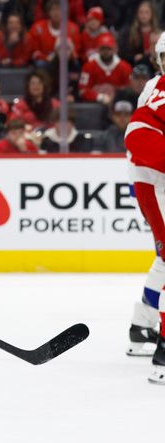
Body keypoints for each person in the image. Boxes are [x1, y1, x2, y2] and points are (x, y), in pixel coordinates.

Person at [124, 31, 165, 369]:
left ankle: (142, 326)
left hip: (151, 179)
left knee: (163, 258)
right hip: (154, 180)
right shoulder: (154, 88)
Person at [78, 33, 133, 106]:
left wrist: (116, 97)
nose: (106, 51)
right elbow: (82, 90)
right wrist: (99, 97)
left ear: (113, 49)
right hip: (93, 105)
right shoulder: (88, 67)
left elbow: (129, 89)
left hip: (118, 105)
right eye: (103, 48)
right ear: (98, 49)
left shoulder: (125, 67)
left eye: (108, 48)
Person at [118, 1, 159, 66]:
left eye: (147, 12)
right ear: (137, 14)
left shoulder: (158, 33)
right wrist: (134, 57)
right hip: (136, 65)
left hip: (154, 65)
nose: (144, 15)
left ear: (152, 14)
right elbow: (123, 53)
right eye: (141, 12)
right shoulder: (129, 32)